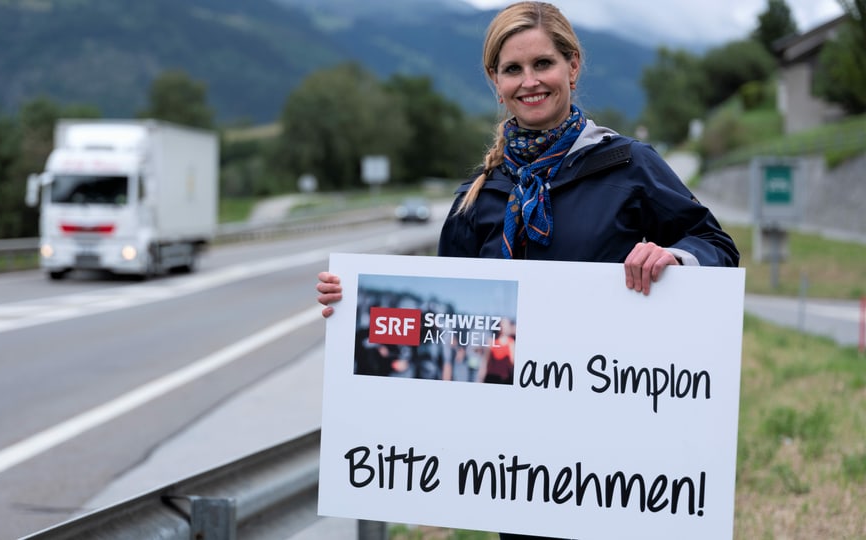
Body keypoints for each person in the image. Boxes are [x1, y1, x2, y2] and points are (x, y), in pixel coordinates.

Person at [316, 2, 739, 538]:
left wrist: (675, 258)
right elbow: (444, 325)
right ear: (495, 81)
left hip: (617, 450)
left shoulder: (629, 166)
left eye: (543, 64)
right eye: (513, 69)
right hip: (520, 466)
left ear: (573, 66)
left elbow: (716, 245)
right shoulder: (478, 197)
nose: (530, 81)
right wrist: (357, 305)